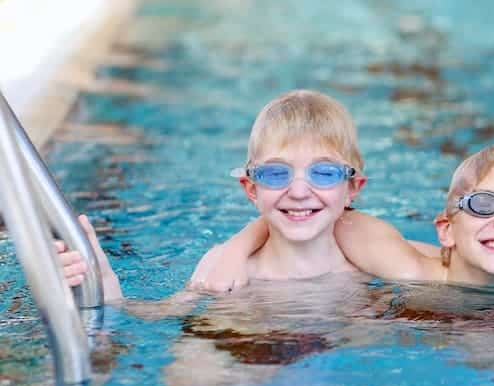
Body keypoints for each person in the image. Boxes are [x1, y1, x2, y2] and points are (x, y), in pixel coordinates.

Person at [56, 89, 368, 300]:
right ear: (251, 189)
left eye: (324, 173)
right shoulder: (225, 274)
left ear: (352, 189)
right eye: (276, 173)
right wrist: (106, 284)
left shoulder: (371, 273)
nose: (299, 192)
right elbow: (153, 320)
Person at [208, 143, 494, 306]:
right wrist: (235, 249)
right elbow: (326, 216)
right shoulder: (410, 271)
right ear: (446, 229)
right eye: (485, 204)